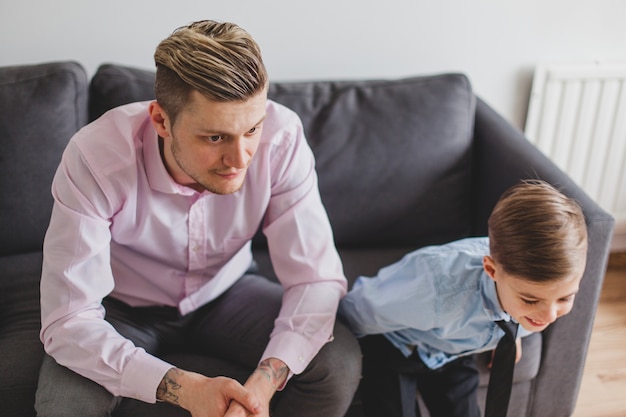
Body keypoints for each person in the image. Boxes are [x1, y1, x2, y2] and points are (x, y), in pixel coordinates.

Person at [35, 20, 361, 417]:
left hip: (226, 291)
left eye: (252, 129)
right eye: (215, 137)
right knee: (65, 406)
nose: (240, 160)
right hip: (120, 307)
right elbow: (70, 319)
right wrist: (184, 389)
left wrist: (259, 389)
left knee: (337, 363)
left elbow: (316, 278)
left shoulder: (282, 138)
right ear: (161, 121)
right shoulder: (95, 157)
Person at [338, 180, 588, 417]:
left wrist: (515, 330)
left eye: (565, 299)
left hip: (453, 352)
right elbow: (358, 308)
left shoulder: (536, 301)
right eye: (531, 301)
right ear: (492, 271)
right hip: (396, 345)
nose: (549, 316)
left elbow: (540, 307)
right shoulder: (435, 291)